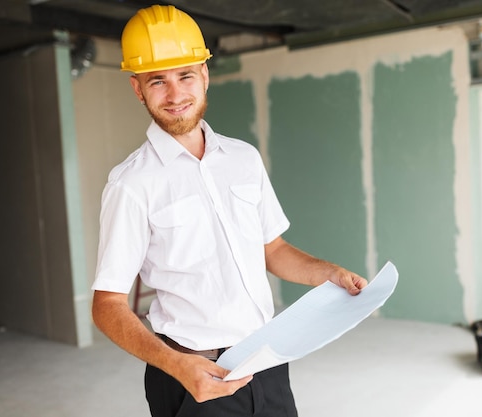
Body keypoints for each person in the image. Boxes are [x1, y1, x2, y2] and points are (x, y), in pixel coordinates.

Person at [90, 4, 367, 417]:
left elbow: (271, 249)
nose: (175, 94)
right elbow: (107, 304)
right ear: (138, 89)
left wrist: (329, 273)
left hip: (266, 358)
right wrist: (178, 366)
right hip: (191, 372)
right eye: (157, 81)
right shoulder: (131, 183)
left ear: (204, 74)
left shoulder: (243, 159)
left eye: (184, 75)